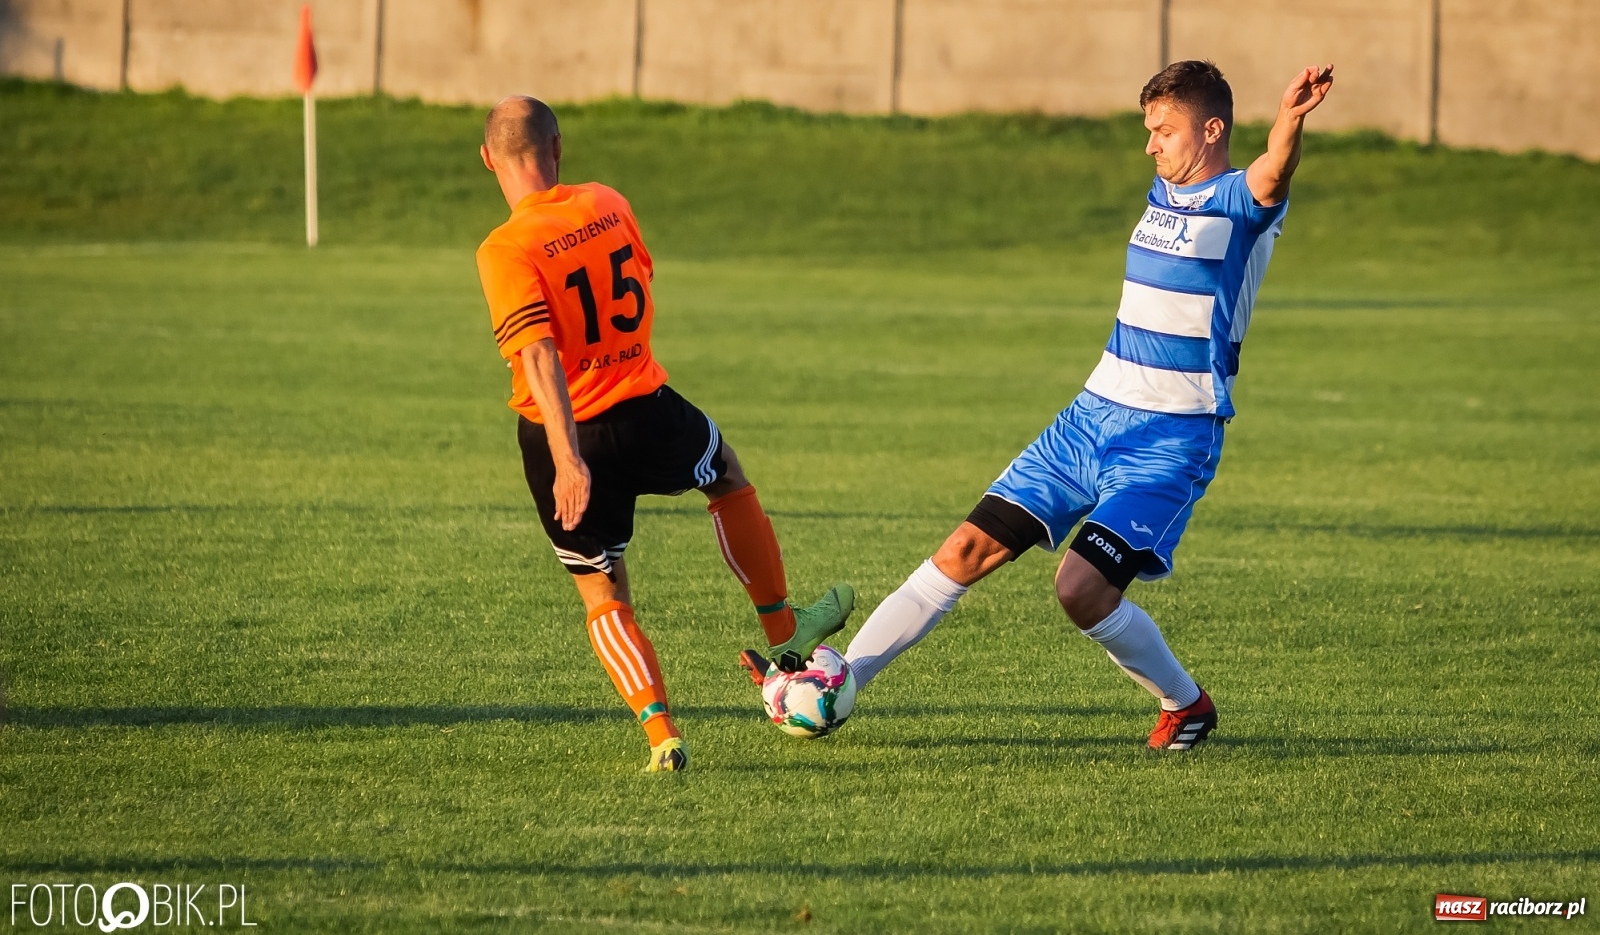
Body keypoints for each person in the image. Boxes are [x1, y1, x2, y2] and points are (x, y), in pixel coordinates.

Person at [799, 61, 1333, 750]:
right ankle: (840, 680)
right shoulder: (1163, 192)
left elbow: (1273, 174)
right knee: (964, 549)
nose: (1151, 145)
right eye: (1148, 131)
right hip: (1086, 420)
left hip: (1170, 438)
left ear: (1212, 129)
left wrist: (1289, 119)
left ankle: (1186, 704)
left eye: (1164, 131)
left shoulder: (1241, 205)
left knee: (1081, 589)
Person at [475, 96, 854, 772]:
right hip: (646, 407)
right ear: (557, 146)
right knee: (726, 474)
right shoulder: (606, 201)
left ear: (487, 160)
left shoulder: (505, 248)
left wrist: (568, 460)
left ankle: (663, 737)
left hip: (563, 436)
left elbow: (537, 355)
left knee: (603, 592)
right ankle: (783, 628)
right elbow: (642, 283)